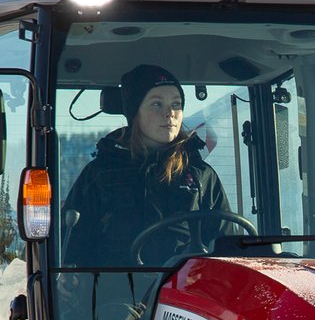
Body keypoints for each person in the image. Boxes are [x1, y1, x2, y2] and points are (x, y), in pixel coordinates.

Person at [61, 64, 238, 267]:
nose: (170, 113)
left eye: (176, 104)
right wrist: (71, 277)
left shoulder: (201, 175)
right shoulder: (102, 173)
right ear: (135, 112)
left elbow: (227, 245)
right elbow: (70, 245)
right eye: (157, 104)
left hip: (186, 291)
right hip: (114, 292)